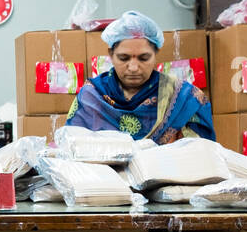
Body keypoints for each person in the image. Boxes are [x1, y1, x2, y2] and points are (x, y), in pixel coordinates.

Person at [66, 10, 216, 143]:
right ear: (111, 55)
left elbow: (199, 154)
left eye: (143, 58)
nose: (133, 67)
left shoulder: (183, 97)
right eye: (124, 58)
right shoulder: (92, 96)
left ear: (155, 55)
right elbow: (73, 147)